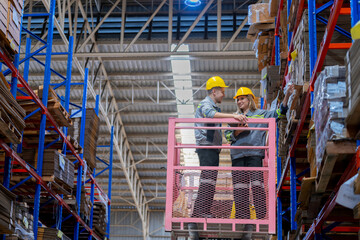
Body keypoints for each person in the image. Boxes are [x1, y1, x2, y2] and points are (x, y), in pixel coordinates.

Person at [224, 86, 293, 240]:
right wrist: (237, 131)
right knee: (240, 188)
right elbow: (227, 136)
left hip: (255, 154)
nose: (239, 101)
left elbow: (278, 113)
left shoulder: (261, 114)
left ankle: (261, 217)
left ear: (250, 99)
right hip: (237, 156)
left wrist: (287, 95)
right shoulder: (234, 117)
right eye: (238, 100)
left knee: (257, 185)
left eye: (242, 98)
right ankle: (243, 218)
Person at [188, 76, 247, 240]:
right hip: (206, 147)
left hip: (212, 148)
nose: (223, 94)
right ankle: (199, 212)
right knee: (207, 180)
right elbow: (210, 114)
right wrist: (233, 117)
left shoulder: (211, 103)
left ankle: (203, 210)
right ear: (214, 91)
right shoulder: (206, 104)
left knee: (210, 180)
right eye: (222, 91)